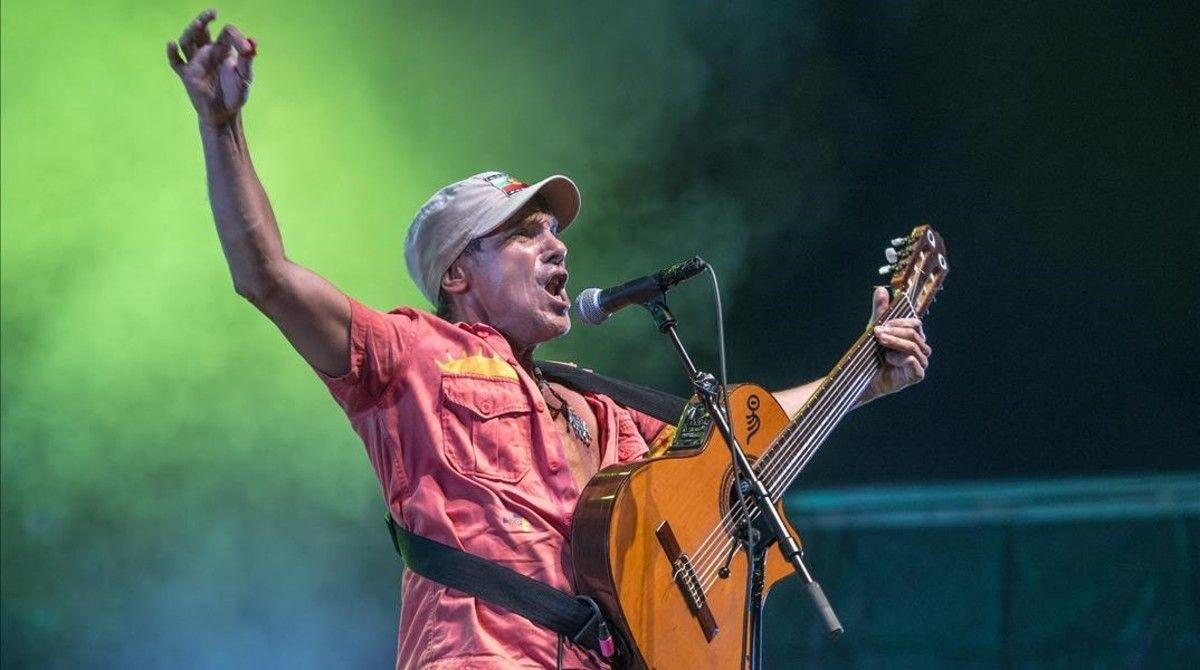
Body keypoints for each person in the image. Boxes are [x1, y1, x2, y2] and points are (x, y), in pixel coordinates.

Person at [167, 10, 932, 669]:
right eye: (526, 234)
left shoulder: (599, 407)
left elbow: (746, 439)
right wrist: (222, 127)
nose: (559, 246)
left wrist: (860, 375)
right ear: (459, 273)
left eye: (557, 231)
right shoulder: (411, 358)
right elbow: (265, 276)